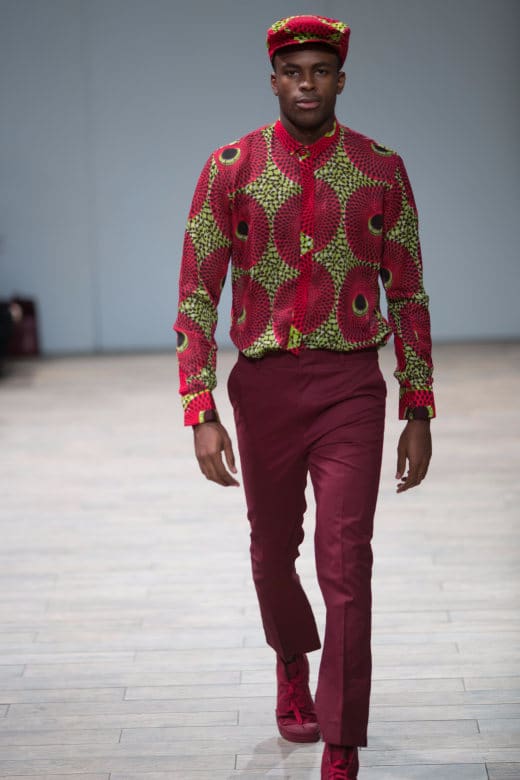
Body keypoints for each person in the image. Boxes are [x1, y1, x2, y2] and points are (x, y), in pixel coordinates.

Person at [173, 14, 435, 779]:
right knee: (271, 552)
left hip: (352, 385)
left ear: (340, 80)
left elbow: (409, 293)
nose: (307, 84)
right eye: (294, 72)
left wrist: (419, 407)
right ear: (274, 81)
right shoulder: (231, 168)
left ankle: (342, 744)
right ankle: (292, 658)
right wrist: (200, 408)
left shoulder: (382, 169)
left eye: (321, 71)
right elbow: (196, 294)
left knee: (346, 561)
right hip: (265, 388)